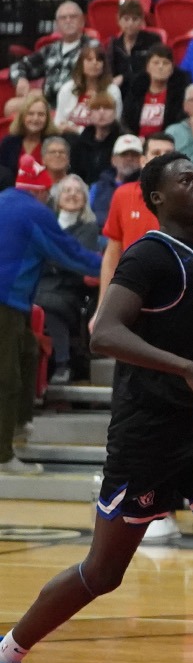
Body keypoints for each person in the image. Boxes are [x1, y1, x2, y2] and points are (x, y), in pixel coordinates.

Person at [0, 154, 193, 663]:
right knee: (102, 574)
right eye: (185, 179)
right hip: (149, 440)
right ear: (155, 198)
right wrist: (189, 371)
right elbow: (103, 333)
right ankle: (7, 654)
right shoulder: (150, 256)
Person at [0, 159, 103, 474]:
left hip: (14, 303)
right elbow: (69, 253)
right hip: (6, 302)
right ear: (44, 191)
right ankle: (3, 456)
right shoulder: (36, 213)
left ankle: (18, 426)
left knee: (29, 351)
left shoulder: (4, 200)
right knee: (7, 376)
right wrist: (115, 267)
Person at [99, 133, 193, 295]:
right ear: (143, 161)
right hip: (132, 293)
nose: (162, 160)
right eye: (156, 153)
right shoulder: (122, 196)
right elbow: (112, 254)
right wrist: (102, 305)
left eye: (168, 155)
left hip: (180, 296)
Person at [36, 175, 105, 386]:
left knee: (48, 305)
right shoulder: (45, 223)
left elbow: (79, 262)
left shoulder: (89, 228)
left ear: (85, 200)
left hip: (71, 291)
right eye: (67, 191)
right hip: (40, 285)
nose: (72, 195)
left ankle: (62, 364)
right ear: (57, 198)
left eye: (78, 192)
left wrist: (51, 258)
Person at [8, 0, 93, 112]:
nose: (68, 21)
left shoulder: (92, 47)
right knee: (11, 106)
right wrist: (20, 80)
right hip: (46, 102)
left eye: (73, 17)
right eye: (63, 18)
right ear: (57, 24)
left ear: (82, 21)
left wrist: (41, 94)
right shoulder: (50, 50)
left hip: (74, 102)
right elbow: (18, 66)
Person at [122, 43, 187, 140]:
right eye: (156, 62)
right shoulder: (136, 91)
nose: (160, 67)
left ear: (172, 69)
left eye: (165, 63)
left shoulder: (179, 95)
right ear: (148, 67)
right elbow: (126, 122)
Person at [54, 44, 119, 133]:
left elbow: (113, 126)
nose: (94, 63)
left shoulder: (112, 90)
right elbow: (59, 123)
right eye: (89, 59)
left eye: (99, 60)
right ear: (81, 64)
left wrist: (76, 129)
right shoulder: (67, 89)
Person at [106, 0, 164, 86]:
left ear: (141, 21)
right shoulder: (114, 44)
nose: (130, 24)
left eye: (135, 19)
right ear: (118, 20)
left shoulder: (153, 40)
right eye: (126, 19)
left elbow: (154, 70)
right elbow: (109, 72)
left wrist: (124, 78)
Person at [0, 93, 56, 188]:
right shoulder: (8, 143)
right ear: (22, 117)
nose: (35, 118)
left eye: (41, 114)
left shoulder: (54, 142)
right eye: (30, 114)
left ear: (47, 118)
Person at [90, 135, 144, 223]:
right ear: (113, 160)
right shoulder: (97, 187)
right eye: (124, 154)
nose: (129, 158)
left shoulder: (146, 187)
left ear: (141, 160)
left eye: (134, 155)